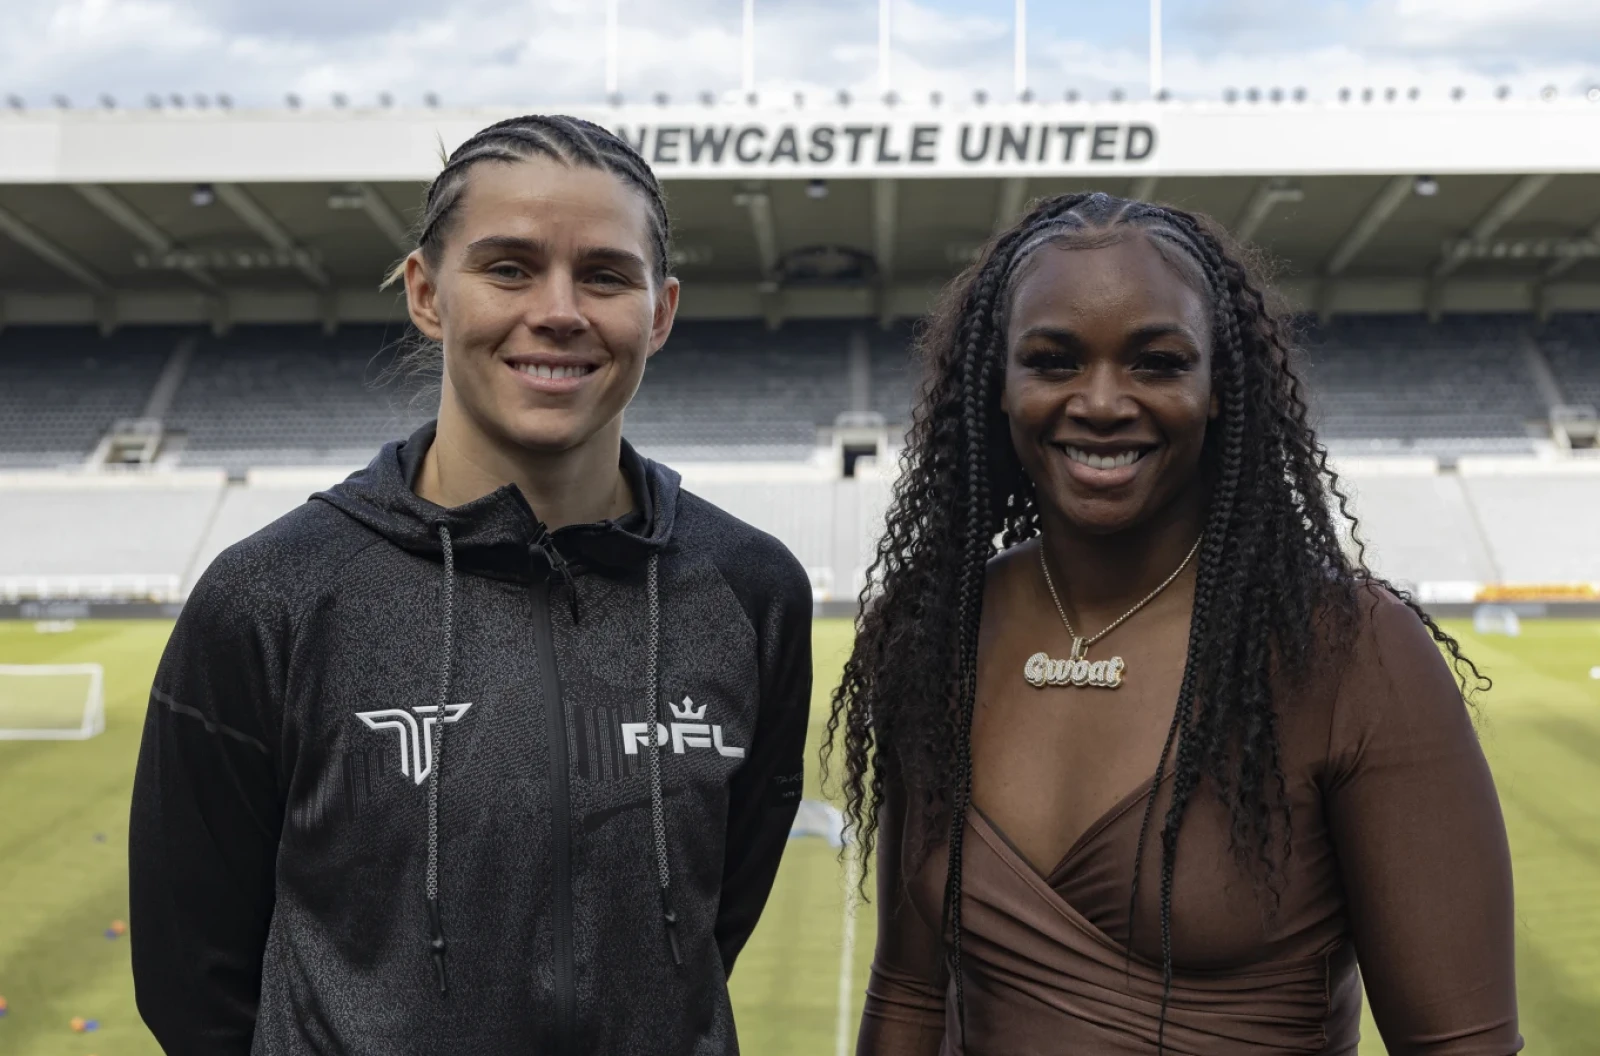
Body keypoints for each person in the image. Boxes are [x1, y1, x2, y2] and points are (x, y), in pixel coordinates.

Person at [129, 114, 813, 1055]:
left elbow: (710, 924)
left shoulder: (749, 589)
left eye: (606, 274)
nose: (560, 309)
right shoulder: (269, 597)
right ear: (427, 292)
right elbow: (191, 980)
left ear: (660, 312)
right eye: (509, 267)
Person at [827, 191, 1521, 1054]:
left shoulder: (1352, 653)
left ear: (1220, 387)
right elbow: (908, 996)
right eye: (1053, 361)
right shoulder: (933, 633)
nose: (1104, 402)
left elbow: (1462, 1046)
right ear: (995, 387)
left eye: (1157, 362)